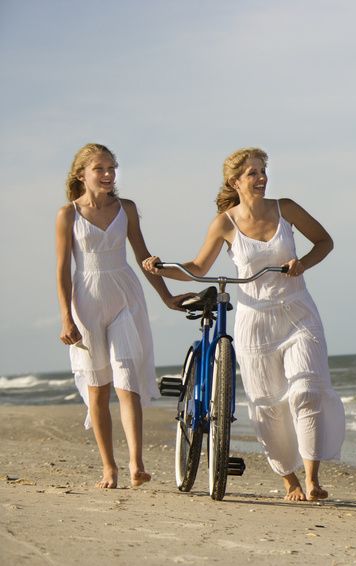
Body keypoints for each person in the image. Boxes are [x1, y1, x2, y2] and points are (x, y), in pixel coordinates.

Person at [144, 147, 345, 501]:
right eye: (252, 173)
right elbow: (198, 267)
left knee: (307, 390)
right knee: (268, 404)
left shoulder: (287, 208)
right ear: (235, 181)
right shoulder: (226, 222)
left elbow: (325, 242)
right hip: (256, 320)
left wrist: (304, 263)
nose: (261, 177)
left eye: (263, 170)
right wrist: (162, 268)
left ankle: (312, 479)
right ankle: (289, 480)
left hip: (299, 311)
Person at [55, 143, 189, 488]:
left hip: (125, 297)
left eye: (112, 167)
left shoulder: (126, 209)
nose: (108, 174)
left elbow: (144, 258)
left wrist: (166, 296)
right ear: (81, 174)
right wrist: (66, 318)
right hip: (86, 302)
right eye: (100, 168)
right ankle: (108, 467)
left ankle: (136, 464)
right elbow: (62, 271)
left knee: (127, 382)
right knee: (98, 389)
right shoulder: (67, 214)